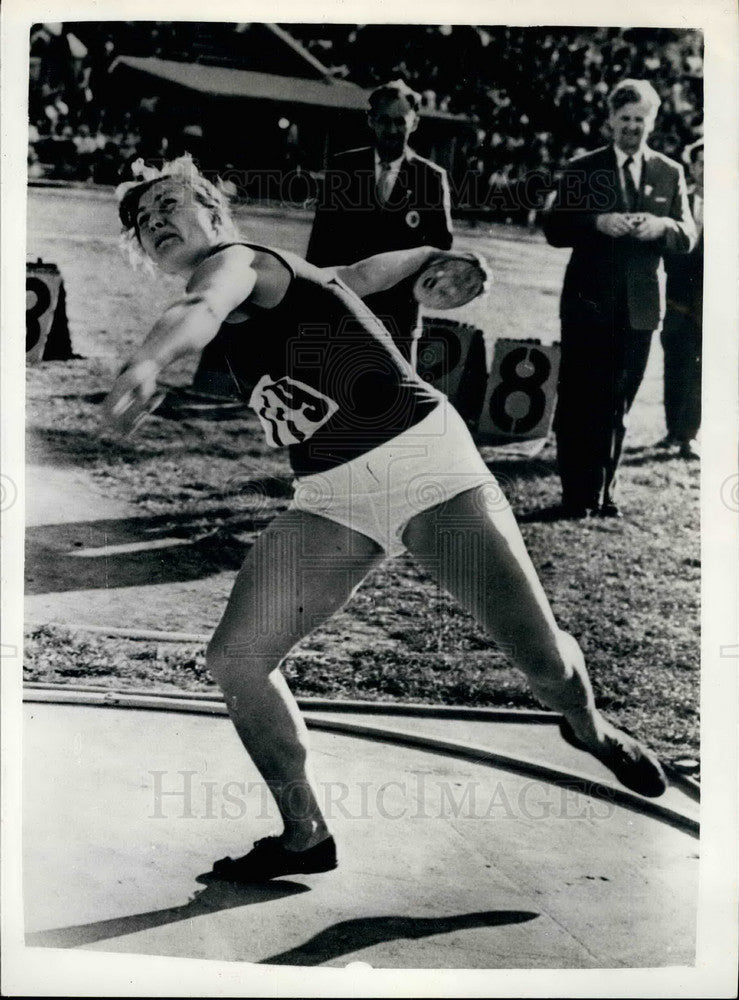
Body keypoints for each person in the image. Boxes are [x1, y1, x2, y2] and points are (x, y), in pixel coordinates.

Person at [104, 157, 667, 882]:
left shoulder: (238, 263)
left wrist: (147, 363)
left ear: (214, 214)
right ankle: (304, 833)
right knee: (236, 659)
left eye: (168, 203)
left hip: (425, 465)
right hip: (331, 499)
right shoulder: (290, 275)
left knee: (544, 665)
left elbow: (201, 310)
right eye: (143, 220)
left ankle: (586, 724)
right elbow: (362, 273)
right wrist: (434, 254)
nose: (153, 220)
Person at [542, 79, 696, 519]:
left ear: (652, 122)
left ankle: (604, 491)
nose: (632, 127)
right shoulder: (583, 167)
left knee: (619, 402)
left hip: (641, 307)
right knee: (580, 399)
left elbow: (688, 234)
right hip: (588, 303)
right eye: (624, 119)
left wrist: (662, 228)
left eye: (640, 120)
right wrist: (596, 222)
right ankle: (577, 494)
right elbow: (554, 227)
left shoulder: (670, 171)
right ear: (610, 121)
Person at [305, 79, 454, 364]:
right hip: (344, 307)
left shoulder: (431, 178)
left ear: (415, 123)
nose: (392, 130)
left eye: (400, 121)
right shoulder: (343, 168)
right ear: (371, 121)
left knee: (398, 403)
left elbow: (441, 247)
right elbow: (320, 241)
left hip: (399, 315)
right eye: (384, 121)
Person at [658, 138, 703, 460]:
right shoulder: (678, 201)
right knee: (675, 365)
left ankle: (689, 436)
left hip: (711, 305)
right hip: (676, 300)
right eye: (701, 162)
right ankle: (673, 430)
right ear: (692, 166)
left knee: (701, 370)